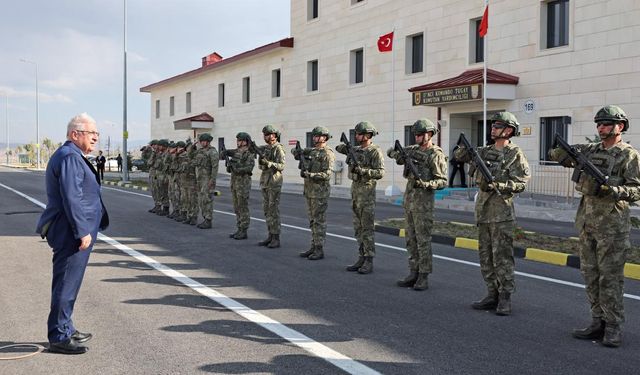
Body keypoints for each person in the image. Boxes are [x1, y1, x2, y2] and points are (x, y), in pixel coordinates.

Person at [549, 105, 640, 347]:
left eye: (606, 124)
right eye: (599, 124)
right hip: (588, 222)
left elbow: (637, 189)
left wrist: (615, 189)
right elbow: (557, 154)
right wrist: (565, 153)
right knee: (590, 275)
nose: (601, 128)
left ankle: (613, 326)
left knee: (610, 278)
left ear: (619, 127)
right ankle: (597, 321)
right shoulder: (590, 150)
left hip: (612, 225)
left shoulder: (629, 155)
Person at [35, 113, 109, 354]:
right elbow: (71, 197)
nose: (96, 137)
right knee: (66, 282)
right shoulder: (69, 156)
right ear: (75, 134)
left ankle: (65, 326)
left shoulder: (73, 155)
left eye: (97, 133)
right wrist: (82, 231)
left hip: (73, 230)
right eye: (92, 133)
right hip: (71, 232)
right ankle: (58, 335)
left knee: (70, 282)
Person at [455, 112, 530, 315]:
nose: (492, 129)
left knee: (502, 257)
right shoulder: (484, 151)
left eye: (497, 126)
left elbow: (521, 182)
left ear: (508, 130)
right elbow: (459, 156)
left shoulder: (514, 154)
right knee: (485, 256)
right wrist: (464, 149)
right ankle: (491, 293)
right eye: (493, 125)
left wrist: (502, 185)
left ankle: (505, 297)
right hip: (483, 211)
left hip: (501, 212)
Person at [388, 119, 447, 290]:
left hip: (423, 204)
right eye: (416, 134)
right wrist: (400, 155)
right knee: (411, 239)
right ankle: (413, 271)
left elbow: (442, 181)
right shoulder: (412, 150)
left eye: (420, 134)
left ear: (429, 134)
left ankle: (423, 275)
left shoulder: (435, 154)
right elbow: (391, 152)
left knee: (423, 241)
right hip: (410, 201)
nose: (417, 137)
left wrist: (427, 184)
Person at [336, 121, 385, 274]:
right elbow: (339, 147)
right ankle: (361, 256)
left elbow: (380, 172)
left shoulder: (374, 152)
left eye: (359, 133)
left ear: (368, 135)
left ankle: (369, 259)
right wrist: (348, 148)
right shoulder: (355, 150)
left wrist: (364, 171)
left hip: (367, 192)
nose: (356, 136)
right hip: (355, 191)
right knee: (358, 228)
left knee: (367, 228)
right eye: (356, 134)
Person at [292, 126, 335, 260]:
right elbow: (295, 151)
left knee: (319, 221)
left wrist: (311, 175)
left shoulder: (327, 153)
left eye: (319, 136)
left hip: (320, 193)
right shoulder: (311, 151)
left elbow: (327, 174)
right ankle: (314, 245)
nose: (316, 138)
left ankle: (319, 249)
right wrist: (297, 152)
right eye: (314, 136)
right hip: (310, 191)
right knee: (312, 220)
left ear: (325, 138)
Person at [255, 125, 286, 248]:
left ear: (274, 136)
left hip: (274, 182)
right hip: (265, 182)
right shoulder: (265, 149)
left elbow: (281, 166)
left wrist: (269, 163)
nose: (266, 137)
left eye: (268, 134)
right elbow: (261, 167)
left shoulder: (278, 149)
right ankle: (270, 235)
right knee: (267, 210)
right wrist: (263, 163)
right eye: (264, 134)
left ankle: (276, 237)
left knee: (273, 210)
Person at [224, 132, 255, 240]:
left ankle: (244, 230)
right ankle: (239, 228)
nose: (239, 142)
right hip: (234, 182)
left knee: (243, 207)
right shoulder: (236, 152)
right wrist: (230, 167)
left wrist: (237, 169)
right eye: (238, 140)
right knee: (237, 207)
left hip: (243, 183)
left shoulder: (249, 153)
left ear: (246, 141)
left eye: (241, 140)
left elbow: (249, 168)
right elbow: (231, 165)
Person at [194, 133, 219, 229]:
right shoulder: (200, 151)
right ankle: (205, 218)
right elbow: (191, 156)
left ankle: (208, 220)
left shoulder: (212, 152)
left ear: (208, 142)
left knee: (207, 200)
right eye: (201, 141)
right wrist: (192, 146)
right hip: (200, 179)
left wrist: (212, 180)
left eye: (204, 141)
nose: (202, 143)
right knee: (201, 200)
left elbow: (215, 167)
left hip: (207, 179)